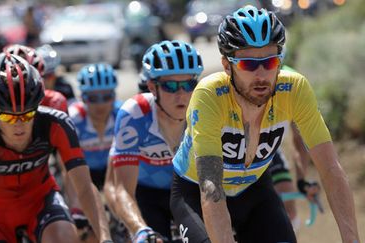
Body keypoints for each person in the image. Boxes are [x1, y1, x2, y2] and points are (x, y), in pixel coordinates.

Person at [171, 5, 360, 243]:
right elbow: (211, 191)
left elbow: (331, 169)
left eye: (270, 62)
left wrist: (351, 239)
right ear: (227, 66)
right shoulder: (209, 96)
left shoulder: (294, 89)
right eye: (248, 64)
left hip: (254, 189)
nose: (261, 75)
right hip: (195, 191)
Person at [0, 53, 112, 243]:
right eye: (8, 117)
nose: (18, 124)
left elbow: (84, 187)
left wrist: (106, 238)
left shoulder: (56, 123)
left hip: (40, 201)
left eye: (27, 115)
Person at [107, 40, 203, 242]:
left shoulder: (204, 110)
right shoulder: (134, 114)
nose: (181, 94)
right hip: (146, 194)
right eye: (170, 86)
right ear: (152, 87)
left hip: (189, 190)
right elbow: (122, 190)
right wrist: (140, 229)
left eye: (188, 84)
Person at [67, 63, 123, 242]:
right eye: (93, 98)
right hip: (83, 173)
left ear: (114, 96)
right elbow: (67, 169)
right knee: (84, 230)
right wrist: (76, 209)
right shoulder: (72, 118)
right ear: (82, 98)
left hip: (112, 170)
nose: (100, 104)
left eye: (106, 97)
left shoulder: (123, 114)